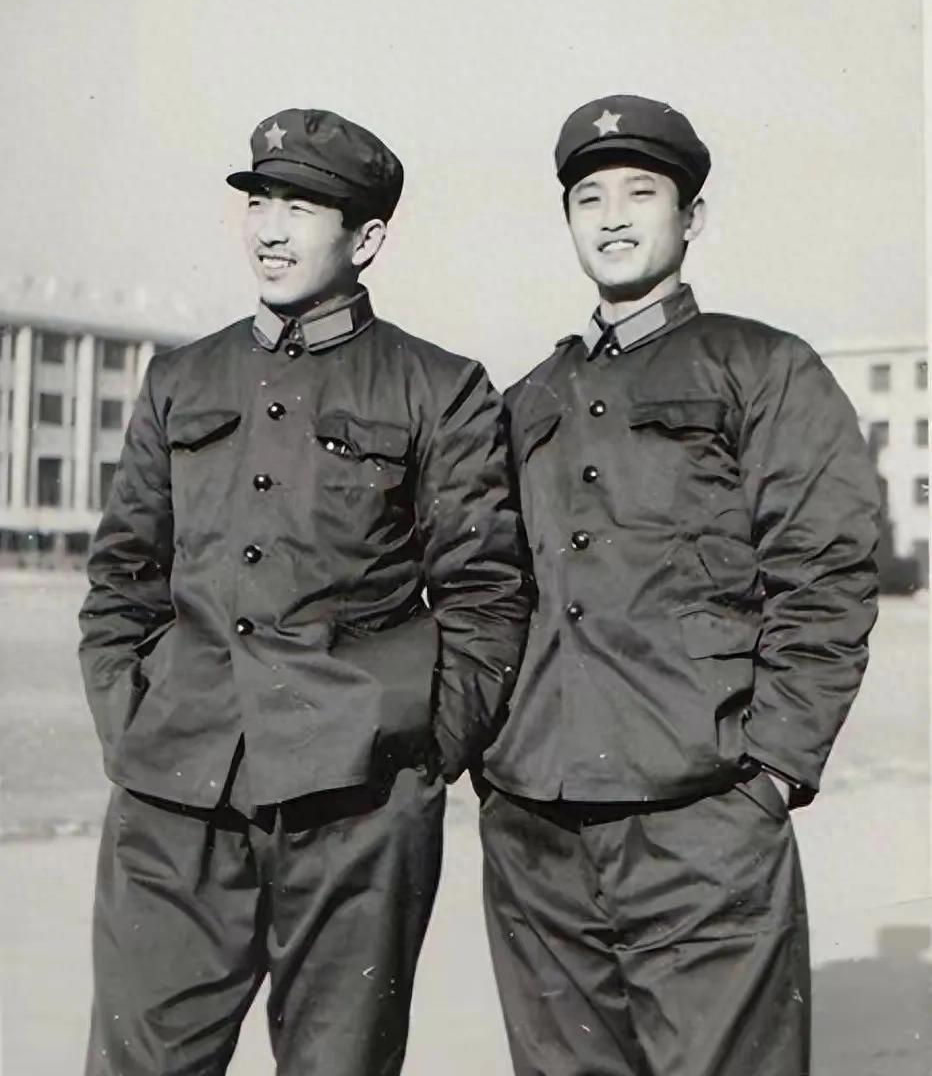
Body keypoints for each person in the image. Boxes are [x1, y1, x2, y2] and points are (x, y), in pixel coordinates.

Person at [78, 106, 531, 1076]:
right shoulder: (180, 377)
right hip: (176, 790)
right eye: (260, 203)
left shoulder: (439, 387)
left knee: (339, 1062)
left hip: (357, 800)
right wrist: (130, 719)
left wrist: (420, 754)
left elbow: (486, 593)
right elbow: (123, 574)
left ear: (365, 239)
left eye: (303, 208)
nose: (271, 231)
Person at [478, 94, 880, 1076]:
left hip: (703, 817)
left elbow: (824, 573)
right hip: (536, 824)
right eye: (588, 198)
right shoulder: (527, 397)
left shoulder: (761, 367)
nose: (612, 217)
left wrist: (773, 769)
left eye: (640, 192)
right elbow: (483, 587)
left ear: (691, 215)